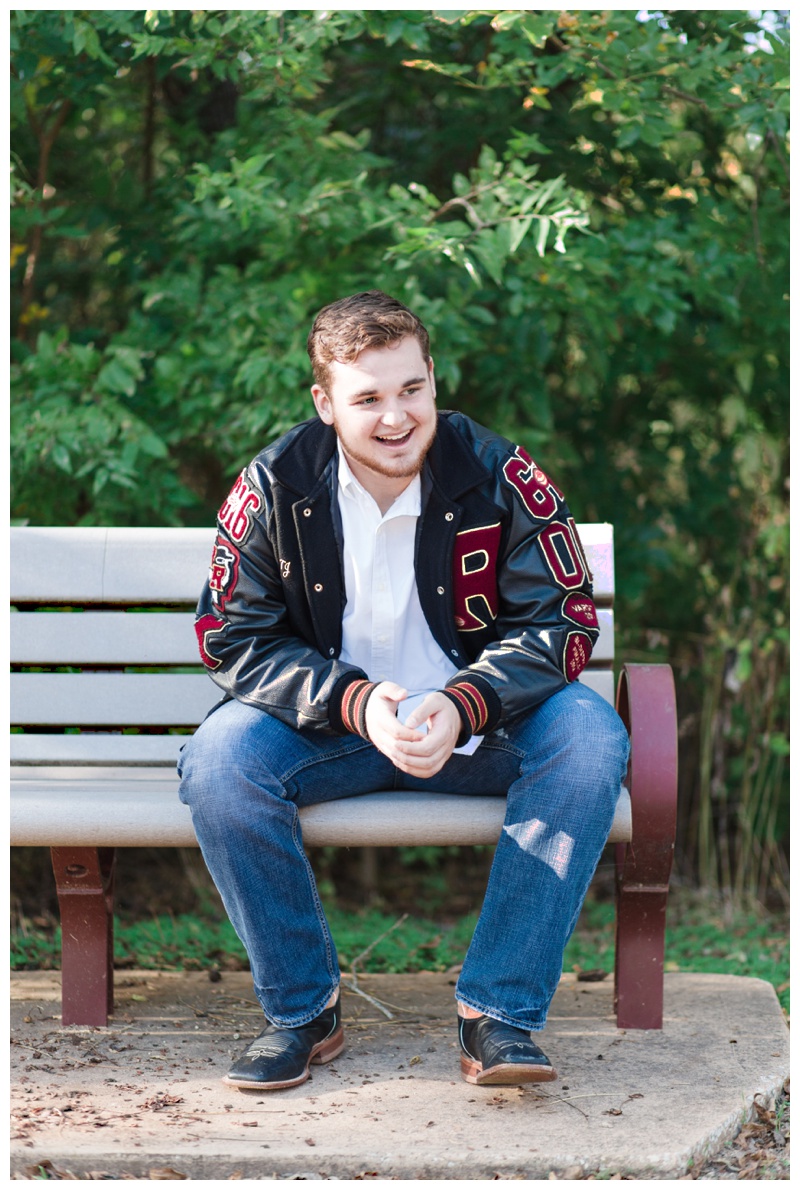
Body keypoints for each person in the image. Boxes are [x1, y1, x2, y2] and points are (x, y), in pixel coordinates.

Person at [178, 289, 630, 1092]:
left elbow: (563, 617)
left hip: (481, 723)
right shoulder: (275, 486)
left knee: (591, 736)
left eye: (411, 389)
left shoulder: (500, 473)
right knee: (219, 762)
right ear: (325, 403)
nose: (396, 417)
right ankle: (302, 1014)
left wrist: (462, 702)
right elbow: (232, 636)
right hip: (334, 727)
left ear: (433, 378)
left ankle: (499, 1014)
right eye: (368, 398)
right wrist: (357, 703)